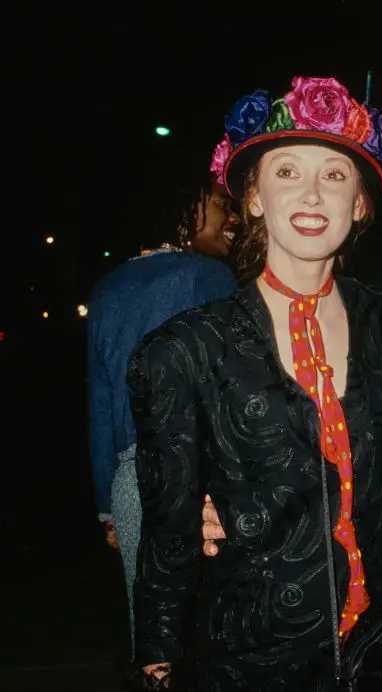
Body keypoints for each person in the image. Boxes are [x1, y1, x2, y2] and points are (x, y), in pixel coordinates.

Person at [127, 76, 382, 691]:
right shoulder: (182, 351)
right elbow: (169, 533)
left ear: (360, 203)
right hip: (248, 660)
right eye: (286, 172)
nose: (311, 193)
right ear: (251, 197)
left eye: (335, 175)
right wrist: (157, 656)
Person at [87, 169, 239, 650]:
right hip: (205, 482)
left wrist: (109, 509)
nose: (232, 216)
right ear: (186, 212)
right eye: (220, 204)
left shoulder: (108, 288)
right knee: (220, 640)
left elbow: (99, 402)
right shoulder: (211, 277)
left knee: (155, 643)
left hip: (132, 483)